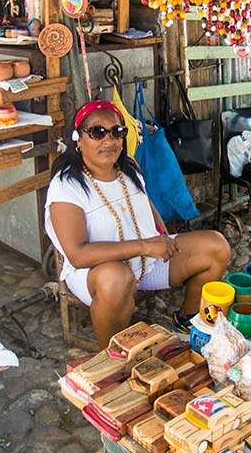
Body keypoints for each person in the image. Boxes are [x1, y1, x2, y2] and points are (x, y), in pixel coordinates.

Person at [46, 100, 230, 347]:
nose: (109, 140)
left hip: (145, 263)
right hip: (95, 274)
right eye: (97, 132)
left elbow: (145, 202)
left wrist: (162, 234)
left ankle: (187, 321)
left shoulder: (128, 168)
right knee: (116, 278)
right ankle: (114, 358)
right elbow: (78, 254)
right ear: (78, 140)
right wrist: (145, 245)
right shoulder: (67, 186)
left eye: (117, 131)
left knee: (215, 246)